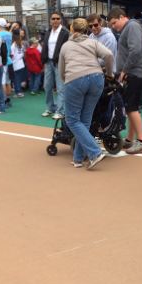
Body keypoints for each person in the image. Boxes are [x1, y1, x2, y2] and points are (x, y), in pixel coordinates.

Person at [59, 18, 115, 170]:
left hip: (75, 80)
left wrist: (67, 81)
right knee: (84, 120)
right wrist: (109, 74)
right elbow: (109, 55)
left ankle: (95, 152)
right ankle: (78, 158)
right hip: (97, 79)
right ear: (86, 30)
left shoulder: (66, 46)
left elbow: (62, 71)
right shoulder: (93, 42)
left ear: (72, 29)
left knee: (72, 120)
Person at [109, 7, 142, 154]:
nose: (114, 27)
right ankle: (130, 139)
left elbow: (135, 50)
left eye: (114, 23)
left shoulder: (132, 26)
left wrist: (124, 71)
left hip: (134, 73)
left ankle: (141, 141)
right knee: (132, 107)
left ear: (122, 17)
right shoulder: (131, 27)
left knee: (130, 107)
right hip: (135, 73)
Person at [41, 11, 70, 119]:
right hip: (48, 63)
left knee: (61, 88)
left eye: (57, 18)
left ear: (61, 20)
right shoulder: (48, 31)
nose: (55, 20)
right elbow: (45, 46)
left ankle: (61, 111)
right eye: (53, 19)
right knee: (47, 86)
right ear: (50, 20)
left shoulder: (65, 32)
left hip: (60, 63)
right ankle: (50, 108)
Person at [0, 18, 14, 105]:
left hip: (2, 60)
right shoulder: (9, 34)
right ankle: (8, 99)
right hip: (8, 59)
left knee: (2, 81)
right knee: (7, 81)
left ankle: (4, 100)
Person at [10, 29, 28, 98]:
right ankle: (19, 91)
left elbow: (12, 55)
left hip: (15, 64)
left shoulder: (13, 45)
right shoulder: (21, 45)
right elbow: (23, 53)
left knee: (16, 79)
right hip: (21, 64)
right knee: (19, 79)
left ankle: (18, 92)